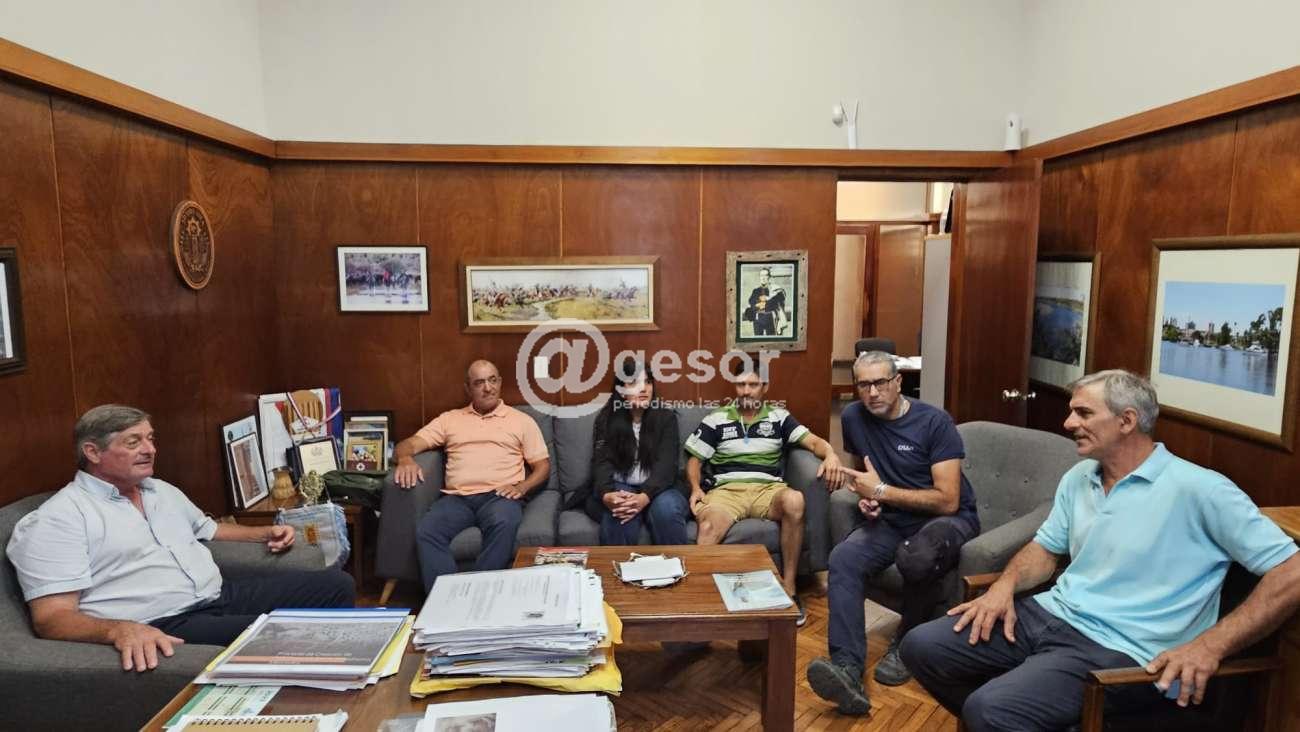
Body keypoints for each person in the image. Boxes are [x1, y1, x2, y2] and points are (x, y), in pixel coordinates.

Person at [900, 370, 1300, 731]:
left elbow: (1292, 570)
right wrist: (1003, 586)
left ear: (1127, 421)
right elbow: (1045, 550)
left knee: (990, 710)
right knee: (921, 648)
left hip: (1121, 648)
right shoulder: (1079, 476)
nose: (1068, 423)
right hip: (1051, 614)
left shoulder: (1201, 489)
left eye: (1084, 413)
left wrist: (1211, 645)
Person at [6, 405, 355, 673]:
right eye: (133, 442)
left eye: (150, 438)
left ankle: (342, 678)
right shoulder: (58, 519)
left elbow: (208, 529)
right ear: (93, 452)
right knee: (294, 634)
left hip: (218, 596)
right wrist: (118, 630)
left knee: (335, 585)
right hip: (165, 620)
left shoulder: (159, 490)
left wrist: (263, 532)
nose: (149, 449)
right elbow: (52, 618)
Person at [806, 350, 980, 714]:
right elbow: (866, 473)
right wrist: (869, 499)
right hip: (893, 517)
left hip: (947, 520)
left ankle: (905, 642)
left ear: (898, 382)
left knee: (916, 556)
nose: (872, 393)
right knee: (844, 558)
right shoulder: (854, 417)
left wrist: (882, 492)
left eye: (880, 383)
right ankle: (847, 669)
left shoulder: (935, 423)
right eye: (863, 385)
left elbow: (948, 500)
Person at [684, 358, 845, 625]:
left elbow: (814, 442)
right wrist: (695, 488)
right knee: (708, 526)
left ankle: (789, 588)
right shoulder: (716, 419)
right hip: (727, 490)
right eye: (741, 385)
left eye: (753, 385)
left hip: (768, 490)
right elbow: (694, 460)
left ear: (765, 387)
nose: (746, 391)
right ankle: (701, 599)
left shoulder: (779, 418)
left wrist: (831, 455)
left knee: (795, 500)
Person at [394, 359, 551, 593]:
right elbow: (408, 444)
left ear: (500, 383)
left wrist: (522, 487)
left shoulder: (521, 421)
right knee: (427, 531)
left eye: (492, 380)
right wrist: (405, 458)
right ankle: (445, 600)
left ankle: (478, 595)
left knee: (505, 522)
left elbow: (543, 466)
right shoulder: (449, 419)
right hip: (457, 499)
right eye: (479, 383)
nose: (487, 388)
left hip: (499, 496)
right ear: (468, 388)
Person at [586, 358, 689, 546]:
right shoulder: (606, 419)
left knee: (666, 511)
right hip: (620, 484)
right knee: (621, 511)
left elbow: (666, 466)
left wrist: (644, 497)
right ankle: (618, 565)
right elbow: (601, 463)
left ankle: (676, 564)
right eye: (634, 383)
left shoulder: (666, 418)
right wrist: (606, 494)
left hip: (660, 488)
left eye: (648, 382)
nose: (644, 389)